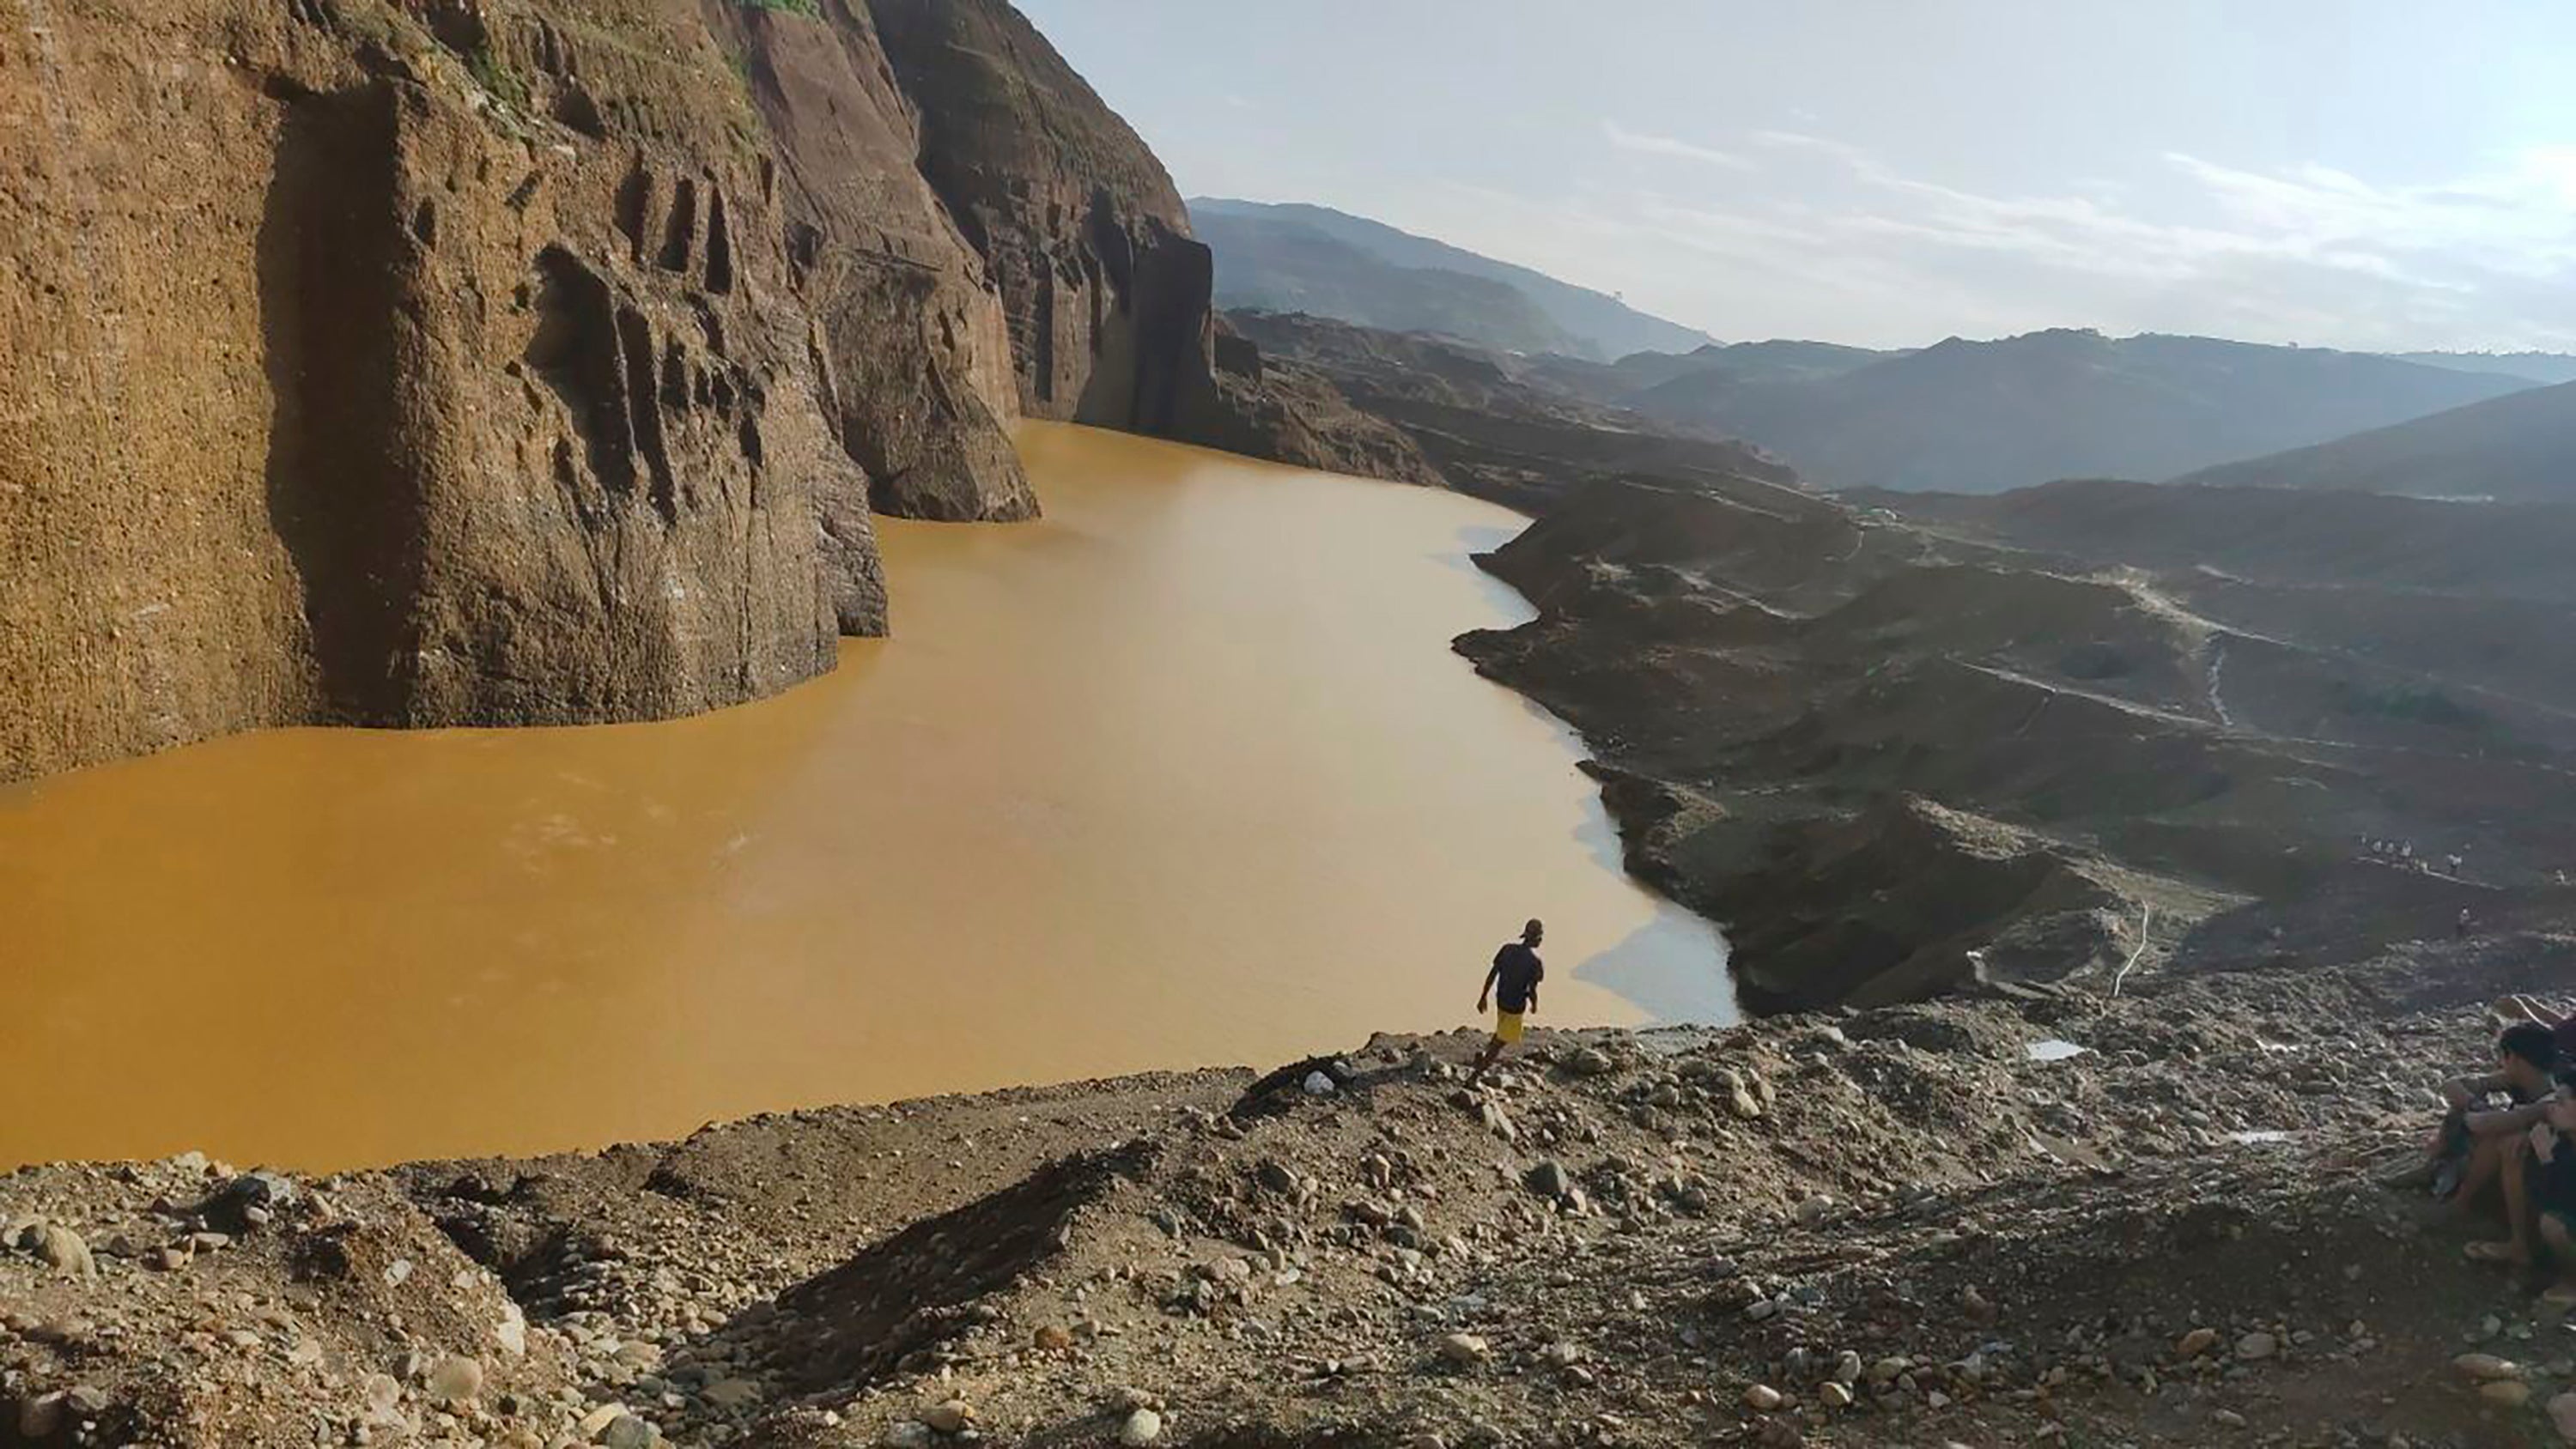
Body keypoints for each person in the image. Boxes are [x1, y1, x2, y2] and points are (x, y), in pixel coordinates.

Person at [2441, 1025, 2561, 1243]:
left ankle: (2461, 1203)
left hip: (2545, 1196)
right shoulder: (2522, 1081)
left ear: (2513, 1058)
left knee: (2501, 1135)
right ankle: (2433, 1169)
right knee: (2465, 1108)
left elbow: (2487, 1124)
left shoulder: (2552, 1103)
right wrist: (2474, 1104)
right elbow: (2452, 1085)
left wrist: (2475, 1111)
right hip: (2517, 1183)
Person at [1468, 919, 1546, 1086]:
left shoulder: (1507, 949)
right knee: (1501, 1042)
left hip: (1501, 1001)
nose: (1541, 940)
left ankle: (1483, 1055)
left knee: (1501, 1032)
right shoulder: (1535, 962)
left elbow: (1493, 974)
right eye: (1540, 937)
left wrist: (1483, 997)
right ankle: (1475, 1076)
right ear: (1536, 938)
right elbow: (1532, 989)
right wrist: (1534, 1004)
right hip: (1515, 1007)